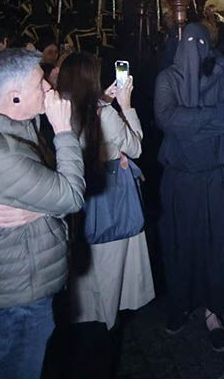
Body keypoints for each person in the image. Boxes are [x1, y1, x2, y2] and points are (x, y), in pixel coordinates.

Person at [0, 48, 84, 379]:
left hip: (26, 281)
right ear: (15, 98)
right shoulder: (1, 153)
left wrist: (38, 210)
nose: (49, 87)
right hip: (19, 295)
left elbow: (47, 189)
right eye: (40, 83)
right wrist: (63, 131)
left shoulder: (16, 125)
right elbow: (71, 195)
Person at [154, 22, 224, 351]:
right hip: (178, 177)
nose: (195, 48)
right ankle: (180, 301)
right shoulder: (167, 79)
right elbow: (165, 118)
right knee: (179, 241)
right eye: (189, 42)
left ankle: (213, 310)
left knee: (215, 243)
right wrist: (207, 117)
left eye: (200, 42)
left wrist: (187, 119)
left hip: (217, 176)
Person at [62, 52, 155, 330]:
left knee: (85, 275)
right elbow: (136, 147)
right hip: (110, 202)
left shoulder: (63, 111)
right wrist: (125, 105)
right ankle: (105, 330)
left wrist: (103, 100)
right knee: (109, 272)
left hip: (78, 201)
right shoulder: (104, 116)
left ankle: (84, 323)